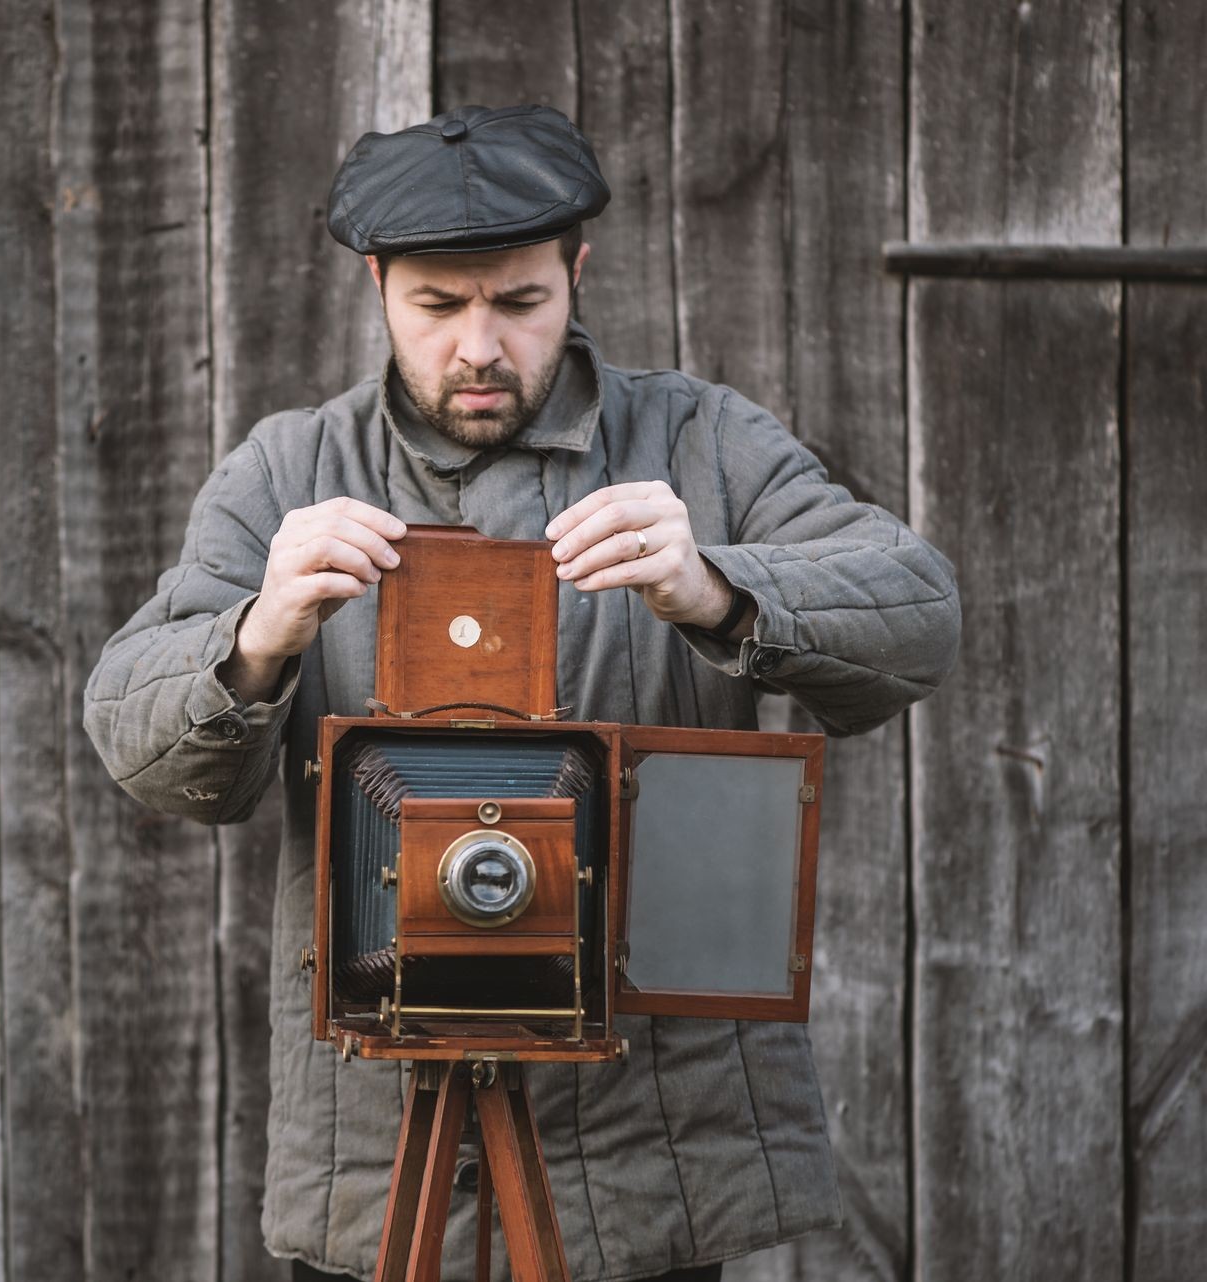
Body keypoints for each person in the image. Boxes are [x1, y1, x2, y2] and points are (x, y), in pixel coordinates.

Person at [84, 104, 960, 1281]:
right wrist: (256, 634)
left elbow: (917, 613)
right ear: (379, 283)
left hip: (649, 1142)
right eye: (438, 308)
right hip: (380, 1143)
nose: (479, 348)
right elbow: (137, 743)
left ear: (576, 274)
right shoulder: (287, 472)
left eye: (520, 301)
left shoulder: (700, 442)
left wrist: (717, 587)